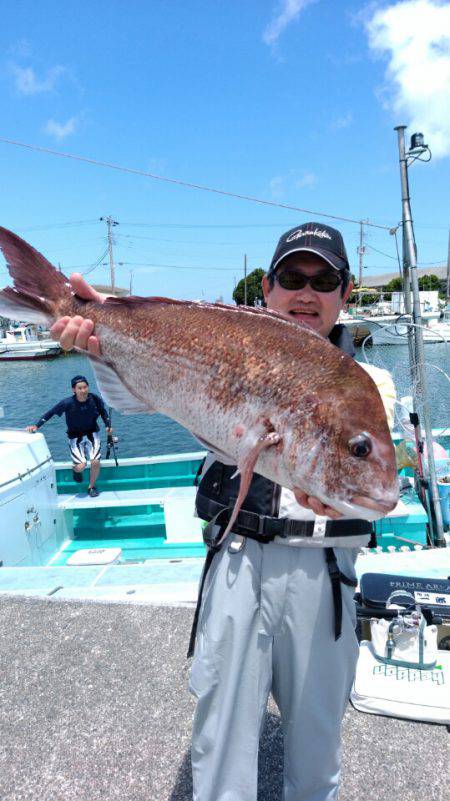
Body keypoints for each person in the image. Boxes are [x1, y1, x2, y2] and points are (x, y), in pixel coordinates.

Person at [49, 223, 396, 801]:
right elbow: (171, 389)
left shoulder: (370, 384)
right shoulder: (234, 343)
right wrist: (111, 324)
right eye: (292, 278)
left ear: (345, 292)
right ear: (268, 288)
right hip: (239, 561)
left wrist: (336, 482)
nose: (306, 293)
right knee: (220, 754)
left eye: (324, 280)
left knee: (317, 758)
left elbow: (384, 488)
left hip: (325, 578)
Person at [26, 375, 112, 498]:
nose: (83, 390)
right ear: (74, 390)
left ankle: (91, 487)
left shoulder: (95, 399)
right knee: (81, 466)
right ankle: (76, 470)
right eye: (80, 388)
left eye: (85, 387)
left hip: (92, 433)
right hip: (75, 437)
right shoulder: (67, 403)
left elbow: (103, 412)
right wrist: (36, 426)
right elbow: (50, 413)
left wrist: (108, 425)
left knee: (95, 461)